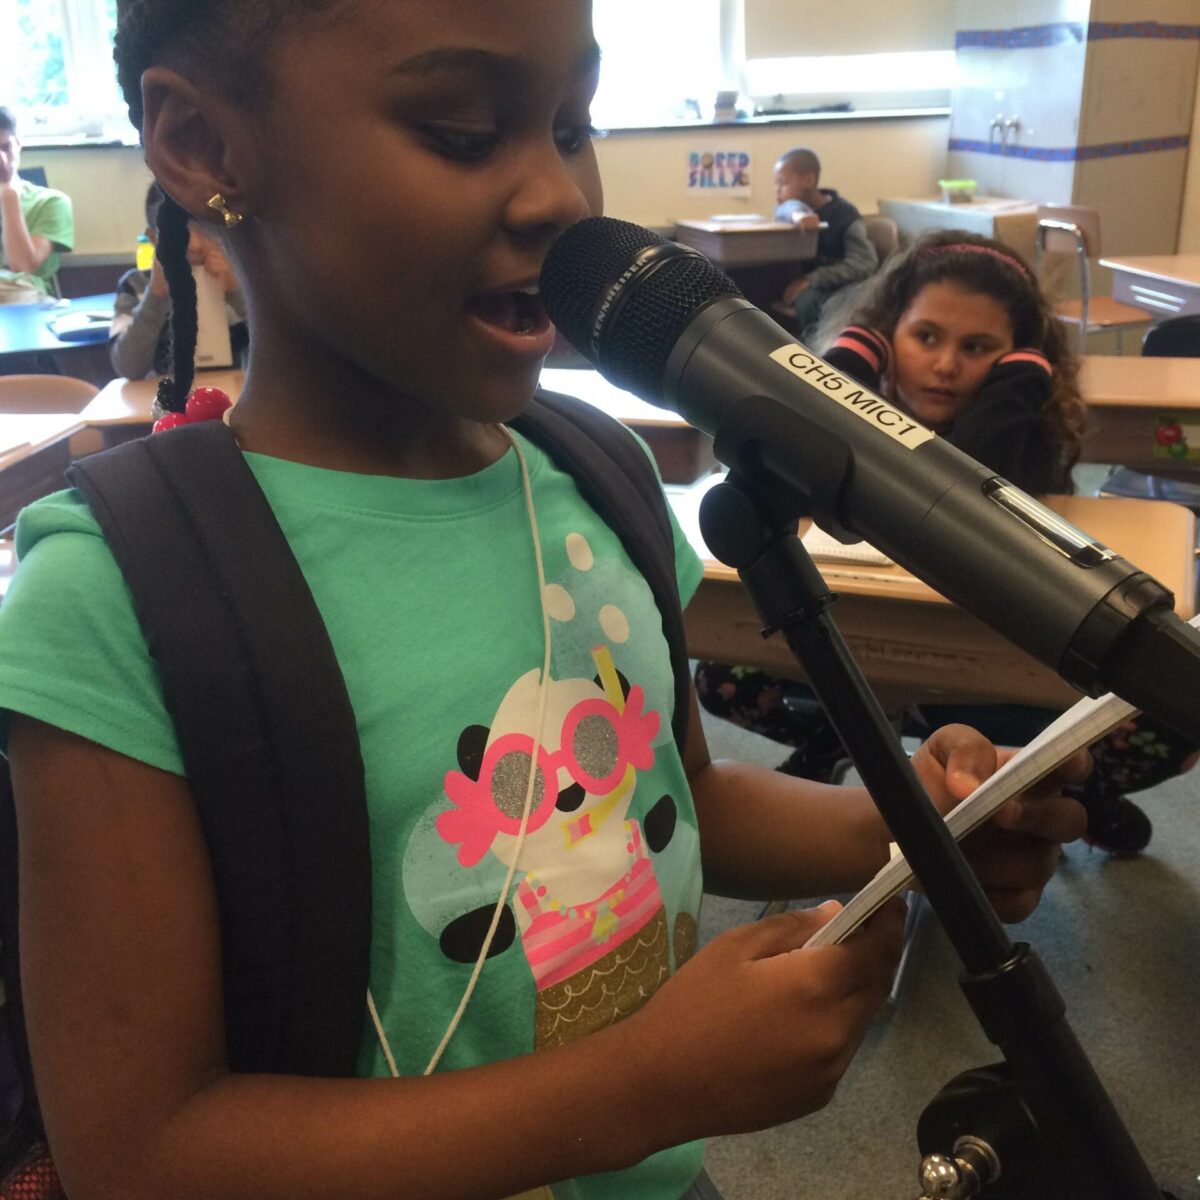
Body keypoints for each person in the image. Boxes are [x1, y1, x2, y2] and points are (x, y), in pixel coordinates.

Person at [0, 7, 1087, 1199]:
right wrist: (643, 1088)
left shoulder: (592, 472)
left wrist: (913, 825)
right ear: (204, 145)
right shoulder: (118, 595)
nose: (562, 197)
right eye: (461, 130)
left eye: (573, 125)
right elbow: (141, 1153)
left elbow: (683, 798)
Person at [697, 229, 1197, 857]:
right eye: (924, 336)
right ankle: (850, 739)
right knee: (723, 673)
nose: (944, 365)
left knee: (1173, 725)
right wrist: (843, 371)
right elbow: (770, 481)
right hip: (860, 649)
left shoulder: (1023, 433)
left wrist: (1018, 383)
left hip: (991, 669)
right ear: (886, 334)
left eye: (980, 348)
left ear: (1022, 362)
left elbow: (959, 514)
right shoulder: (857, 412)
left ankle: (1063, 791)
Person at [110, 182, 248, 378]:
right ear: (154, 238)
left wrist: (236, 289)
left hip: (235, 395)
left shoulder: (243, 280)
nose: (195, 245)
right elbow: (128, 367)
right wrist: (155, 295)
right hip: (163, 399)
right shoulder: (136, 285)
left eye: (206, 231)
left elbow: (280, 350)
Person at [771, 147, 876, 337]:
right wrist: (798, 213)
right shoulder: (796, 213)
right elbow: (785, 209)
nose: (777, 191)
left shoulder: (845, 215)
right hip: (809, 283)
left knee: (807, 301)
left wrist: (811, 280)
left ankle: (815, 355)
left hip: (843, 288)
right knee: (754, 282)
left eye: (783, 183)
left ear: (809, 181)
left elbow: (865, 263)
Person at [0, 106, 74, 305]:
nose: (2, 160)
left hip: (23, 299)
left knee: (20, 287)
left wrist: (9, 195)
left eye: (5, 147)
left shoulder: (51, 202)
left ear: (18, 144)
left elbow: (22, 266)